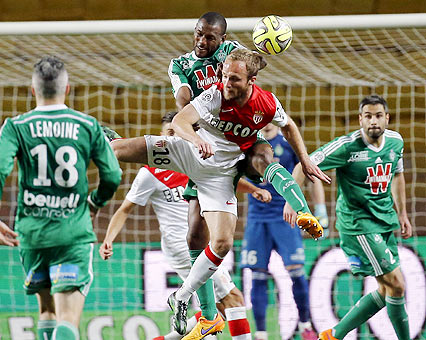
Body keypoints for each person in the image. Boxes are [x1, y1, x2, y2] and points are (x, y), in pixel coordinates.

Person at [111, 49, 329, 340]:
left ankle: (184, 298)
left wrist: (304, 158)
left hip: (221, 173)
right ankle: (89, 141)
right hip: (188, 153)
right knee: (117, 150)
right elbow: (179, 122)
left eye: (234, 78)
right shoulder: (214, 95)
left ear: (252, 80)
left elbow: (288, 125)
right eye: (224, 75)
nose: (226, 82)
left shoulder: (265, 103)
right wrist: (196, 139)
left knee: (223, 242)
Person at [0, 56, 122, 340]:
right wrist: (95, 202)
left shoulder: (16, 126)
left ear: (33, 90)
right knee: (68, 319)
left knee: (47, 311)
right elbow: (113, 175)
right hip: (72, 233)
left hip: (32, 234)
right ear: (67, 89)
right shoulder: (87, 125)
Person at [99, 112, 271, 340]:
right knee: (233, 300)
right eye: (169, 133)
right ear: (162, 136)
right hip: (181, 247)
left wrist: (254, 189)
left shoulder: (189, 160)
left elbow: (223, 177)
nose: (174, 136)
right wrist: (109, 239)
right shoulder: (149, 174)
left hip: (198, 244)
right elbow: (124, 210)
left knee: (218, 310)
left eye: (176, 132)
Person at [284, 95, 412, 340]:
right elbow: (303, 165)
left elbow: (397, 175)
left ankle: (333, 335)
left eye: (378, 116)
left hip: (385, 220)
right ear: (360, 119)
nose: (373, 121)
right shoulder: (346, 146)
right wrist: (292, 200)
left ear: (387, 118)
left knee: (389, 291)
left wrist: (403, 213)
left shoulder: (396, 141)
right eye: (368, 116)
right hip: (358, 224)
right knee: (397, 284)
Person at [168, 12, 262, 339]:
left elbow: (250, 66)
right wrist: (192, 123)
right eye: (198, 34)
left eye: (210, 37)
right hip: (202, 145)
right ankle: (207, 316)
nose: (202, 42)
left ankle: (206, 314)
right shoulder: (180, 64)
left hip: (232, 140)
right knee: (194, 237)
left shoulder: (230, 54)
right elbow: (182, 98)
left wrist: (263, 52)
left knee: (264, 156)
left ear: (222, 39)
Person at [241, 123, 329, 340]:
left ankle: (305, 325)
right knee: (257, 275)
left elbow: (310, 171)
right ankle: (261, 333)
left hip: (285, 218)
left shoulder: (288, 143)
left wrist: (320, 209)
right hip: (257, 219)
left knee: (297, 272)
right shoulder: (249, 143)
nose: (267, 121)